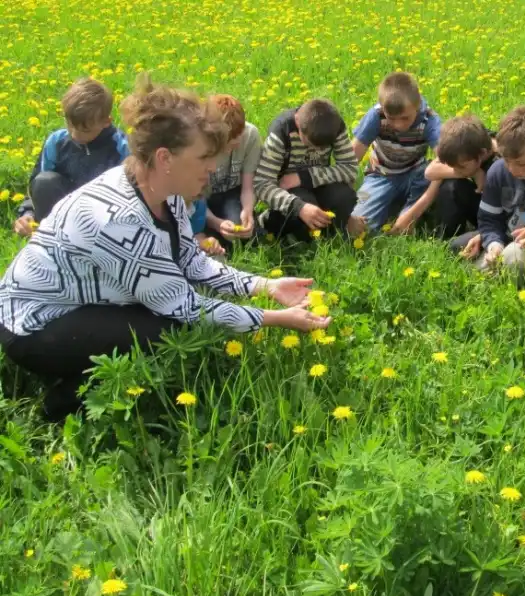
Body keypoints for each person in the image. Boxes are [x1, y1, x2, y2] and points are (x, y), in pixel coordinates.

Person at [0, 76, 330, 421]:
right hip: (32, 325)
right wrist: (276, 320)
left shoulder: (167, 194)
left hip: (81, 305)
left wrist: (267, 286)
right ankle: (64, 404)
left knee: (169, 320)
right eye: (204, 157)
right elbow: (185, 306)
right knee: (170, 332)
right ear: (164, 157)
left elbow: (193, 262)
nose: (213, 168)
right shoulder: (118, 220)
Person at [12, 77, 129, 237]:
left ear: (106, 122)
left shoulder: (121, 146)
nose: (74, 135)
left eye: (85, 130)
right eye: (70, 125)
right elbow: (35, 188)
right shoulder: (56, 141)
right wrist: (27, 215)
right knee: (44, 180)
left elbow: (131, 194)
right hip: (63, 210)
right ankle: (51, 238)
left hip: (104, 214)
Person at [452, 105, 525, 270]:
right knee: (457, 246)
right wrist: (493, 243)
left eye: (521, 163)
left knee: (512, 258)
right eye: (506, 160)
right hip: (506, 235)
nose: (512, 169)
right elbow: (489, 218)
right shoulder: (498, 171)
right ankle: (495, 263)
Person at [255, 98, 361, 241]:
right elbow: (262, 184)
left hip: (317, 182)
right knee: (306, 207)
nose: (315, 150)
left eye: (322, 148)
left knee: (346, 196)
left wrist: (305, 177)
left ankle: (328, 233)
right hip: (288, 191)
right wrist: (299, 207)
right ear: (298, 122)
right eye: (309, 143)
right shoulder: (281, 132)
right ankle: (271, 223)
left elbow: (350, 168)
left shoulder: (333, 127)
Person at [350, 72, 442, 233]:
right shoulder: (376, 116)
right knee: (362, 227)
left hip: (416, 174)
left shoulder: (429, 120)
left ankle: (407, 213)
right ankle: (393, 205)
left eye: (405, 118)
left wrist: (411, 215)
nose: (398, 125)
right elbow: (353, 156)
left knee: (432, 177)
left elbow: (443, 162)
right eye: (391, 118)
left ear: (417, 105)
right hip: (380, 175)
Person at [404, 114, 497, 239]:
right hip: (480, 202)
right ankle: (445, 236)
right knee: (450, 184)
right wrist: (475, 173)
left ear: (482, 154)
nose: (457, 170)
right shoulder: (465, 141)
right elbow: (430, 172)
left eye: (462, 167)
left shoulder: (499, 164)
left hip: (498, 215)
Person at [200, 94, 261, 245]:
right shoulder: (198, 144)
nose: (238, 142)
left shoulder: (250, 135)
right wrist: (215, 222)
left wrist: (247, 210)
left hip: (231, 193)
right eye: (229, 142)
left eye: (240, 134)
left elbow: (248, 186)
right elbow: (193, 200)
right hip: (201, 198)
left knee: (239, 234)